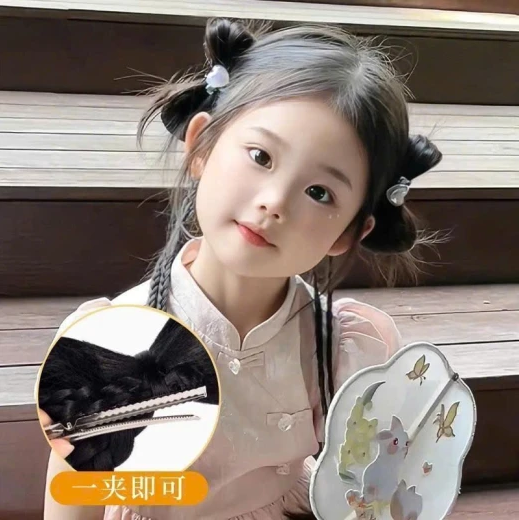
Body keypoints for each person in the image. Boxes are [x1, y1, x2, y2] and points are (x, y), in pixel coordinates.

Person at [42, 17, 442, 520]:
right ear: (201, 147)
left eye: (319, 192)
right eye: (261, 156)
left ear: (348, 232)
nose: (274, 202)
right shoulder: (112, 343)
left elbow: (372, 487)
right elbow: (77, 494)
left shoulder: (344, 347)